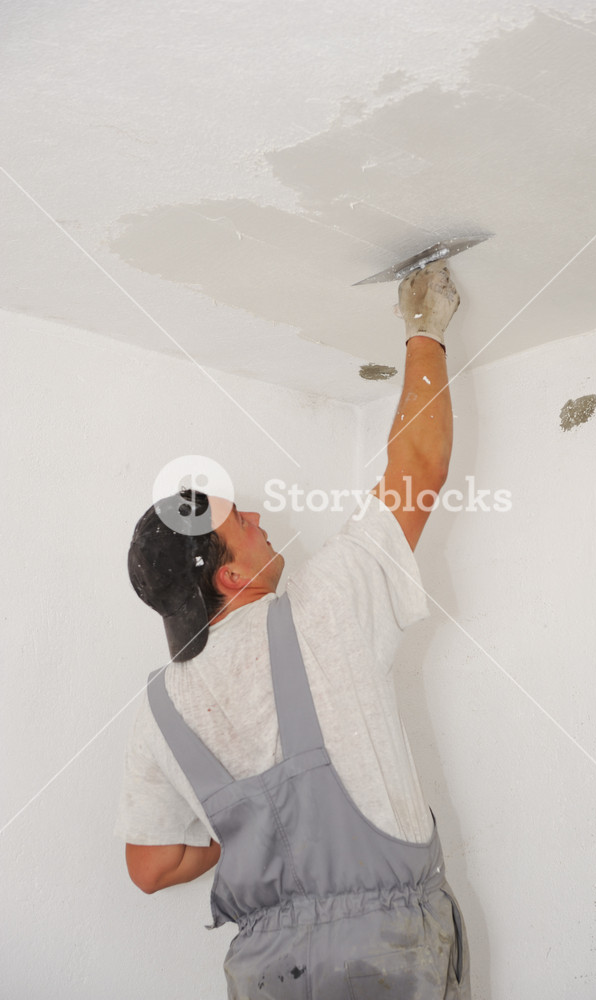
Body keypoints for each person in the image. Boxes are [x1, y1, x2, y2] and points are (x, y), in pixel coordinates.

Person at [116, 261, 471, 999]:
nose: (256, 518)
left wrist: (238, 829)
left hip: (267, 969)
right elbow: (417, 466)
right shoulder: (324, 603)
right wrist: (424, 331)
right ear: (229, 578)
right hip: (389, 950)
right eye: (238, 521)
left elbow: (149, 867)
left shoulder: (160, 710)